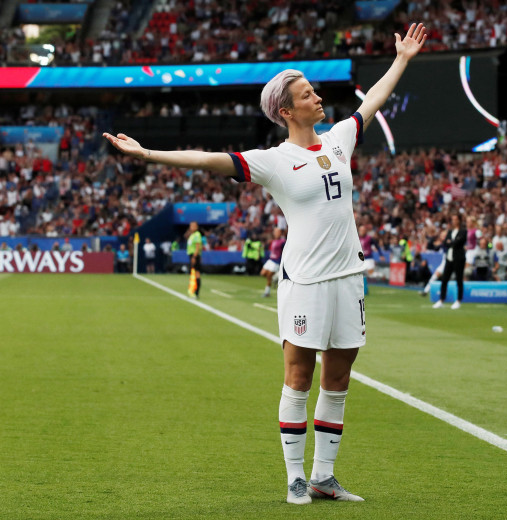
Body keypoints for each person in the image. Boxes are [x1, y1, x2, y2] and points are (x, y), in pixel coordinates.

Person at [103, 22, 428, 505]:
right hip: (304, 282)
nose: (317, 98)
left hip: (348, 280)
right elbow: (209, 160)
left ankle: (324, 476)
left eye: (314, 91)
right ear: (286, 109)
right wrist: (147, 153)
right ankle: (296, 476)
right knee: (298, 378)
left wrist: (401, 59)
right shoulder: (272, 161)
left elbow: (371, 103)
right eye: (307, 94)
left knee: (338, 381)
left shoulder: (340, 139)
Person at [433, 212, 467, 309]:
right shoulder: (450, 231)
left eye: (455, 219)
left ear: (459, 220)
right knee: (444, 279)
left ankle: (458, 300)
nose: (454, 221)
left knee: (459, 279)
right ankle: (441, 299)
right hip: (449, 257)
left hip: (459, 258)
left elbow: (458, 243)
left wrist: (451, 242)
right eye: (453, 219)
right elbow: (446, 243)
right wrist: (451, 242)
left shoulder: (463, 231)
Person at [261, 227, 286, 297]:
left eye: (276, 232)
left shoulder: (283, 241)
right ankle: (276, 277)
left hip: (276, 261)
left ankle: (267, 292)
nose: (275, 233)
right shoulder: (273, 241)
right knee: (262, 273)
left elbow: (285, 251)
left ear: (280, 233)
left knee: (269, 276)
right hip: (270, 260)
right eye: (274, 232)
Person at [186, 222, 203, 299]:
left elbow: (197, 246)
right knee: (193, 273)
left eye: (192, 226)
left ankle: (196, 292)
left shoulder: (197, 235)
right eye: (190, 226)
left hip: (194, 256)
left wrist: (194, 257)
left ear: (196, 227)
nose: (191, 227)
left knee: (196, 273)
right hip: (191, 255)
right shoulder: (192, 235)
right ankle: (192, 290)